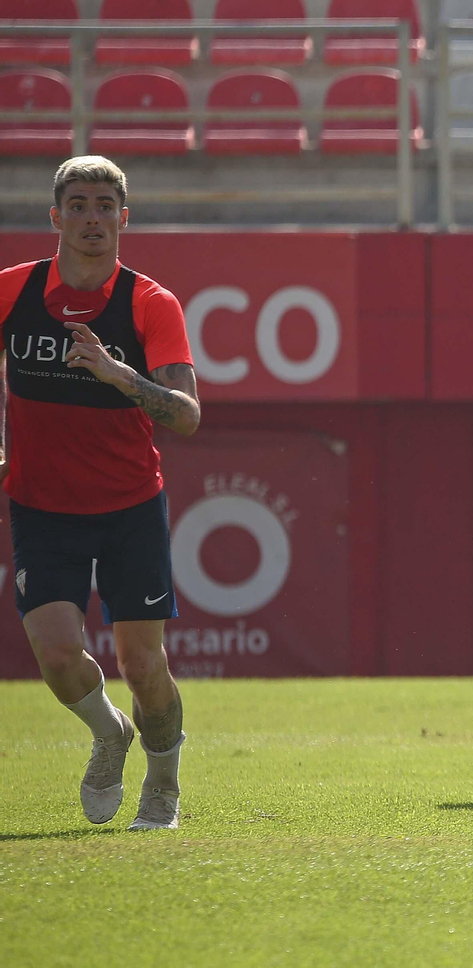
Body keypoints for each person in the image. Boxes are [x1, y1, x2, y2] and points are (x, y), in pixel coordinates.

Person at [0, 156, 200, 830]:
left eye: (105, 206)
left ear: (124, 218)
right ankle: (110, 732)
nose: (93, 218)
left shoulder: (150, 303)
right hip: (40, 506)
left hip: (129, 507)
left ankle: (164, 785)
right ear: (55, 217)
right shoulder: (13, 291)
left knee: (143, 666)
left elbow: (187, 414)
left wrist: (120, 375)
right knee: (59, 660)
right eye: (79, 205)